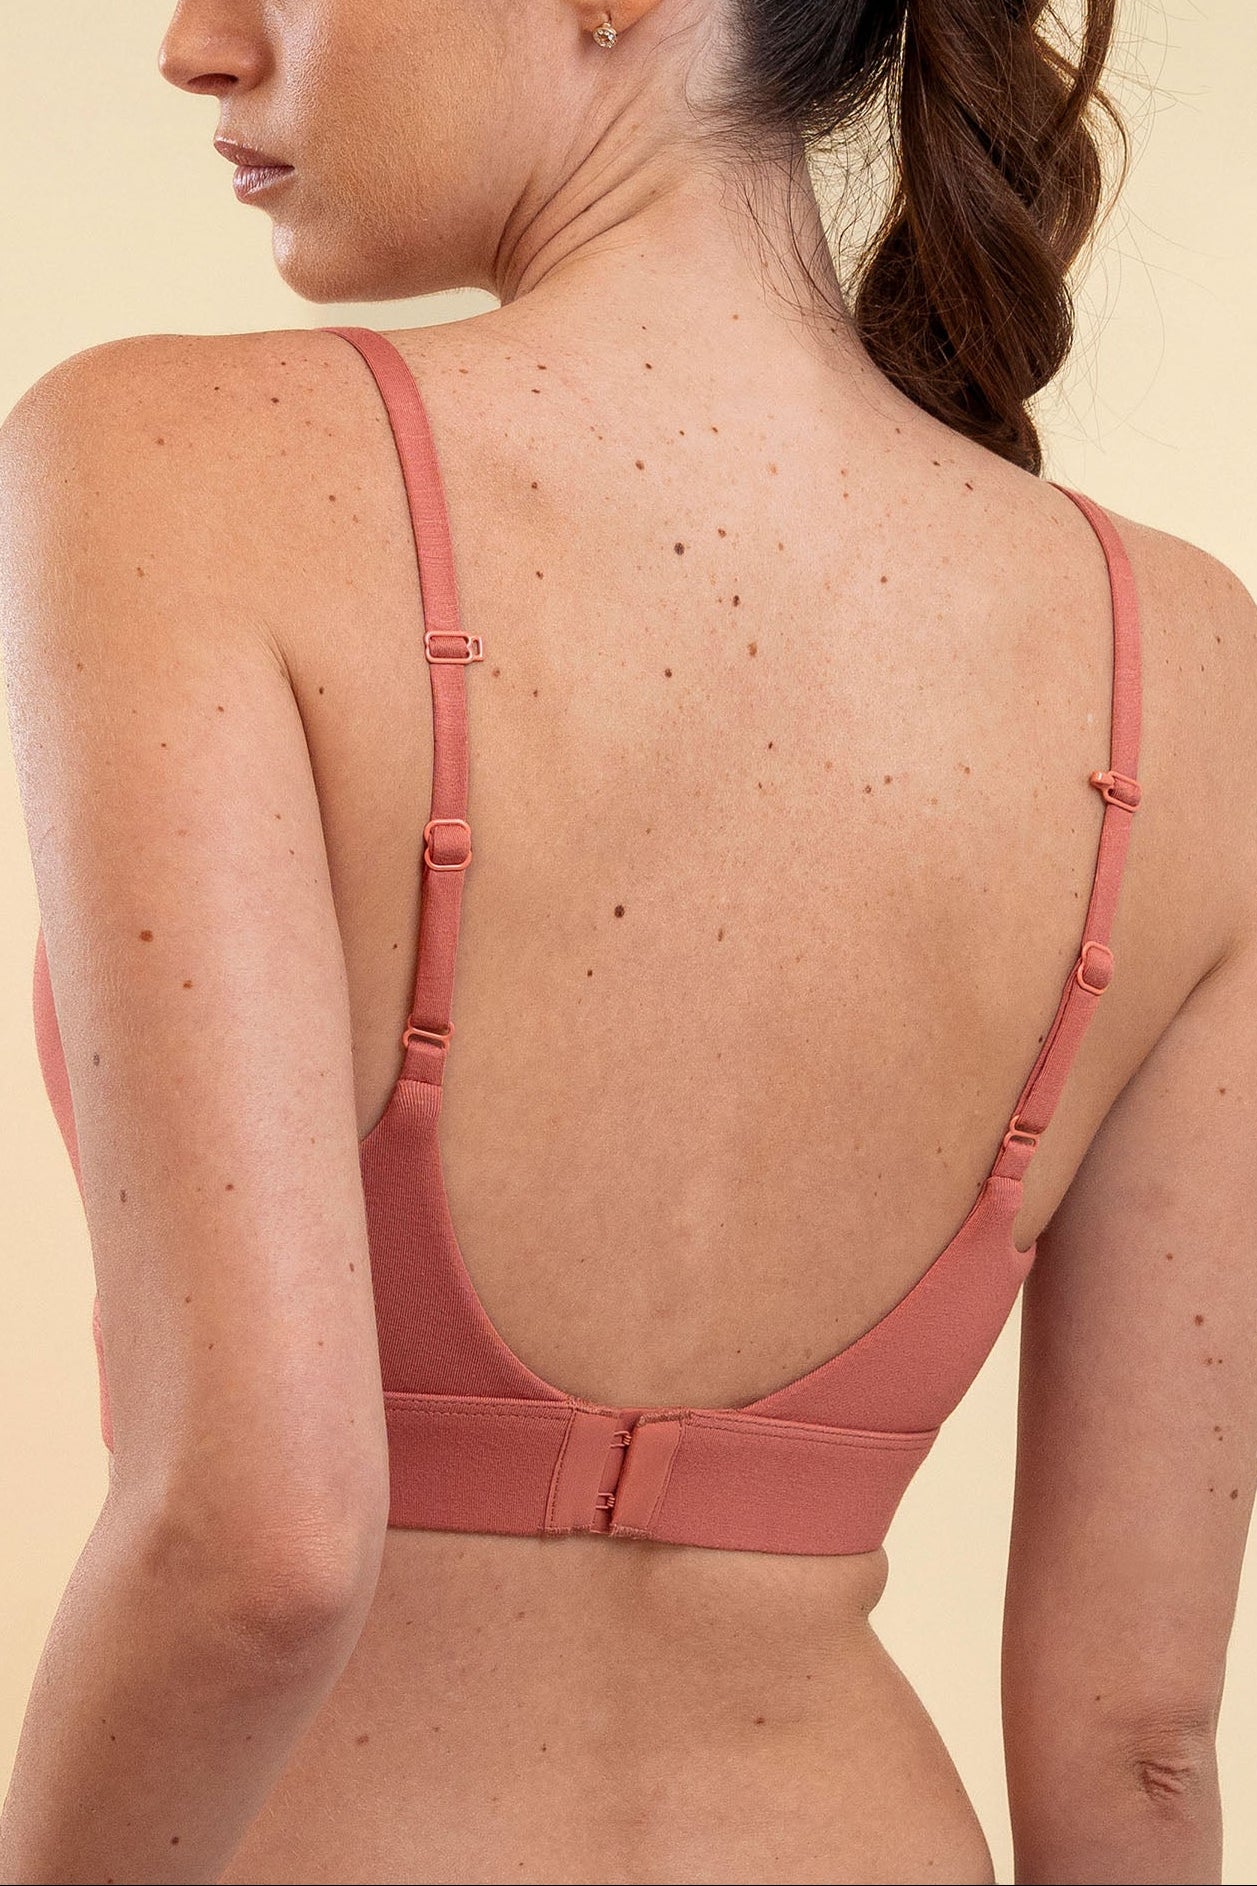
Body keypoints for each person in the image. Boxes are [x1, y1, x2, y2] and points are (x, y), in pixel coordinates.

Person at [0, 1, 1253, 1881]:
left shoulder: (178, 465)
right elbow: (1137, 1741)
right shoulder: (1195, 663)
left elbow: (250, 1545)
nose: (197, 43)